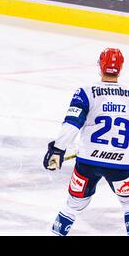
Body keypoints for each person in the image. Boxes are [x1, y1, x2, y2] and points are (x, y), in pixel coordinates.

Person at [43, 48, 129, 236]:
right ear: (121, 68)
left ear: (100, 66)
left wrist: (57, 150)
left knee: (72, 206)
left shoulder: (86, 92)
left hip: (88, 163)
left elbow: (72, 125)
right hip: (122, 165)